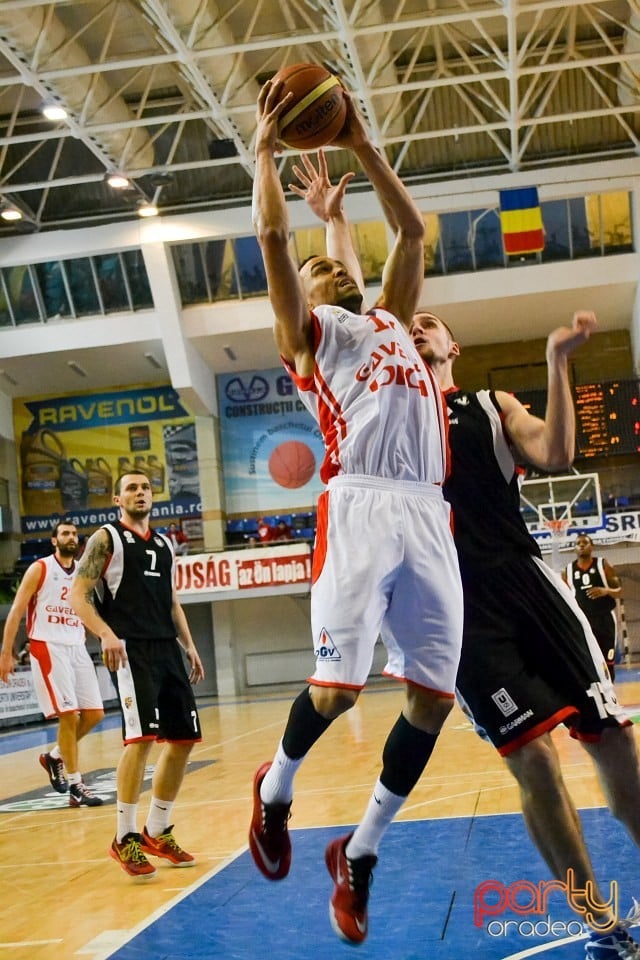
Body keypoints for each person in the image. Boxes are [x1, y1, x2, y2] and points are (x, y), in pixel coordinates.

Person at [296, 156, 640, 958]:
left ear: (451, 344)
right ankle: (602, 925)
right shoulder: (373, 385)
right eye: (404, 322)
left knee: (612, 739)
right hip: (450, 606)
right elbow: (351, 304)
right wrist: (334, 223)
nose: (412, 325)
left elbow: (556, 451)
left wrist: (557, 364)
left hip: (524, 580)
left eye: (427, 323)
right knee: (534, 764)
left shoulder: (489, 405)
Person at [247, 80, 463, 945]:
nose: (324, 266)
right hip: (361, 506)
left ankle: (360, 853)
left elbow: (410, 231)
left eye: (332, 261)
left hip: (426, 512)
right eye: (314, 268)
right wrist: (262, 150)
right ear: (302, 297)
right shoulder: (309, 340)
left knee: (433, 702)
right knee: (336, 690)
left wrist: (363, 145)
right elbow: (272, 236)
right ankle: (275, 794)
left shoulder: (390, 319)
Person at [69, 471, 205, 880]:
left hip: (166, 648)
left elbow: (173, 602)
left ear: (153, 496)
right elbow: (78, 594)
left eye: (145, 488)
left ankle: (157, 831)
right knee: (141, 739)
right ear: (117, 498)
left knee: (183, 740)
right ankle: (124, 836)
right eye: (131, 488)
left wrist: (190, 645)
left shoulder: (164, 545)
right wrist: (107, 635)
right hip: (130, 650)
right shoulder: (106, 539)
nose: (140, 493)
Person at [0, 520, 104, 807]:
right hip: (48, 645)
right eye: (65, 533)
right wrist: (6, 652)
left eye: (74, 533)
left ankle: (55, 755)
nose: (71, 537)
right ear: (54, 541)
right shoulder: (40, 568)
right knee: (69, 716)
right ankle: (76, 785)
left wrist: (105, 637)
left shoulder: (84, 572)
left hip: (77, 646)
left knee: (95, 714)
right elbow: (17, 610)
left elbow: (86, 612)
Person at [563, 534, 622, 680]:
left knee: (608, 661)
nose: (581, 545)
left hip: (605, 619)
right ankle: (597, 697)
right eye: (578, 543)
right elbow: (563, 598)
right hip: (583, 621)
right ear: (575, 548)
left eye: (585, 542)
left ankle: (611, 697)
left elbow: (620, 590)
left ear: (592, 546)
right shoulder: (568, 571)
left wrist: (606, 591)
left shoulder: (603, 565)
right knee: (588, 661)